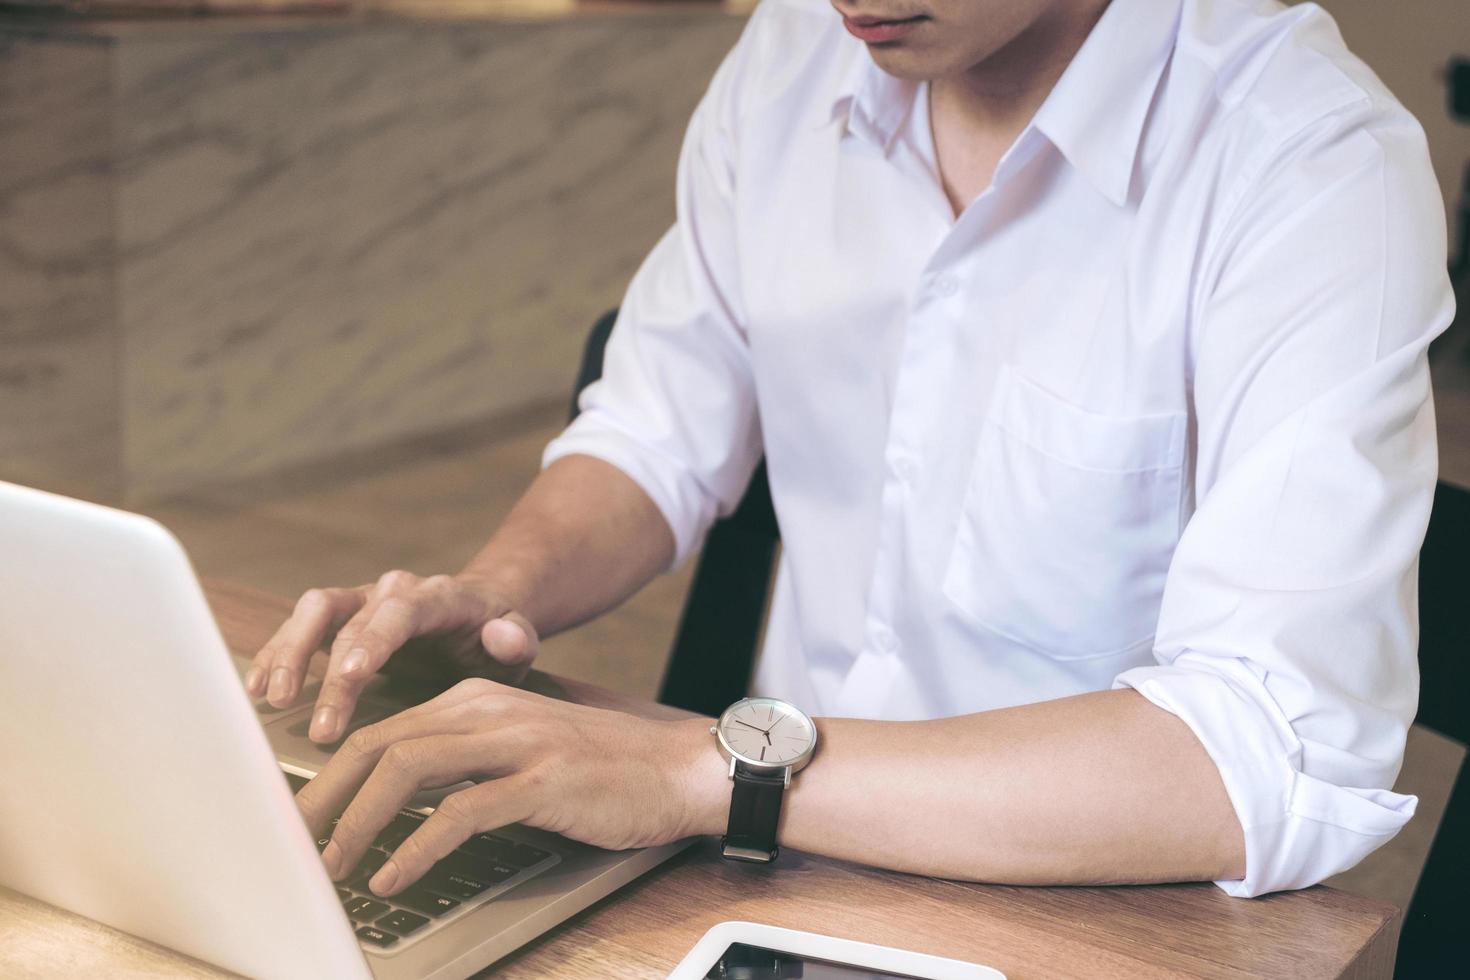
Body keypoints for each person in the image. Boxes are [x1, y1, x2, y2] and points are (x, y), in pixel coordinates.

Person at [246, 0, 1454, 901]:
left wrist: (704, 769)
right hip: (775, 875)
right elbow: (656, 425)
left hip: (1108, 911)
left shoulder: (1309, 161)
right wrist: (496, 592)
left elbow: (1263, 750)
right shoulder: (790, 56)